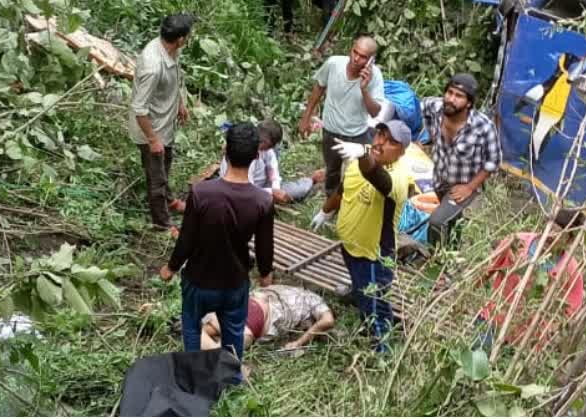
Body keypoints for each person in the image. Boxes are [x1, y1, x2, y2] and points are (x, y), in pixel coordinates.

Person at [160, 123, 275, 376]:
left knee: (191, 327)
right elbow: (265, 246)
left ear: (225, 151)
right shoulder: (262, 201)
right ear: (257, 156)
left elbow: (187, 240)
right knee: (233, 332)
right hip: (234, 283)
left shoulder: (201, 193)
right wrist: (265, 274)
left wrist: (171, 267)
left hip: (198, 280)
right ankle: (231, 378)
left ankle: (192, 375)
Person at [319, 121, 414, 352]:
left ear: (401, 152)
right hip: (350, 245)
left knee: (376, 305)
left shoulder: (398, 176)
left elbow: (376, 176)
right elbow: (342, 190)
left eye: (391, 141)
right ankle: (359, 296)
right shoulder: (356, 165)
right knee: (359, 284)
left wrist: (362, 154)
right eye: (380, 134)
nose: (381, 142)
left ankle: (383, 352)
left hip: (375, 255)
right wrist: (325, 211)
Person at [475, 208, 585, 349]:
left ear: (569, 241)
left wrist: (550, 329)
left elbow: (571, 309)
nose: (550, 235)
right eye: (550, 228)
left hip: (525, 340)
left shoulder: (570, 270)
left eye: (559, 234)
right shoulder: (518, 242)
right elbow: (487, 269)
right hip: (493, 319)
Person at [128, 13, 194, 236]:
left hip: (165, 123)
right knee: (156, 178)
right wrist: (153, 139)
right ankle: (162, 224)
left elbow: (175, 79)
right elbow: (139, 108)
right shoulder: (153, 66)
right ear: (181, 39)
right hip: (151, 129)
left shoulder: (171, 49)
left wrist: (180, 103)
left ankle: (171, 200)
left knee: (166, 164)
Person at [421, 73, 503, 247]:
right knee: (452, 218)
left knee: (436, 222)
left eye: (458, 96)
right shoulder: (435, 108)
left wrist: (470, 187)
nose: (451, 99)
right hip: (439, 178)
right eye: (449, 92)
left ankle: (433, 259)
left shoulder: (482, 126)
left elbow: (494, 161)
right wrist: (420, 136)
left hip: (464, 184)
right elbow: (416, 108)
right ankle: (453, 254)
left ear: (469, 103)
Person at [300, 35, 385, 202]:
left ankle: (351, 204)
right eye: (355, 52)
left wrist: (364, 89)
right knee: (332, 170)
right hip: (331, 131)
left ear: (371, 60)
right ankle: (331, 203)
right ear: (350, 49)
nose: (356, 58)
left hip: (357, 134)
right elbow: (319, 87)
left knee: (358, 174)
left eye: (363, 57)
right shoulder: (334, 64)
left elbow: (375, 112)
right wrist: (306, 117)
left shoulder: (375, 77)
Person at [200, 284, 334, 353]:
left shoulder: (289, 289)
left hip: (245, 304)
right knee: (223, 352)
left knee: (204, 330)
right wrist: (298, 343)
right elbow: (328, 320)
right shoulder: (313, 300)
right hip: (257, 317)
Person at [214, 120, 321, 205]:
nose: (264, 147)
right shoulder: (245, 153)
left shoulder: (266, 150)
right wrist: (272, 193)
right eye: (263, 143)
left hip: (259, 187)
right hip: (245, 191)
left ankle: (311, 180)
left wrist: (275, 189)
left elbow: (273, 170)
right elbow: (244, 191)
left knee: (298, 189)